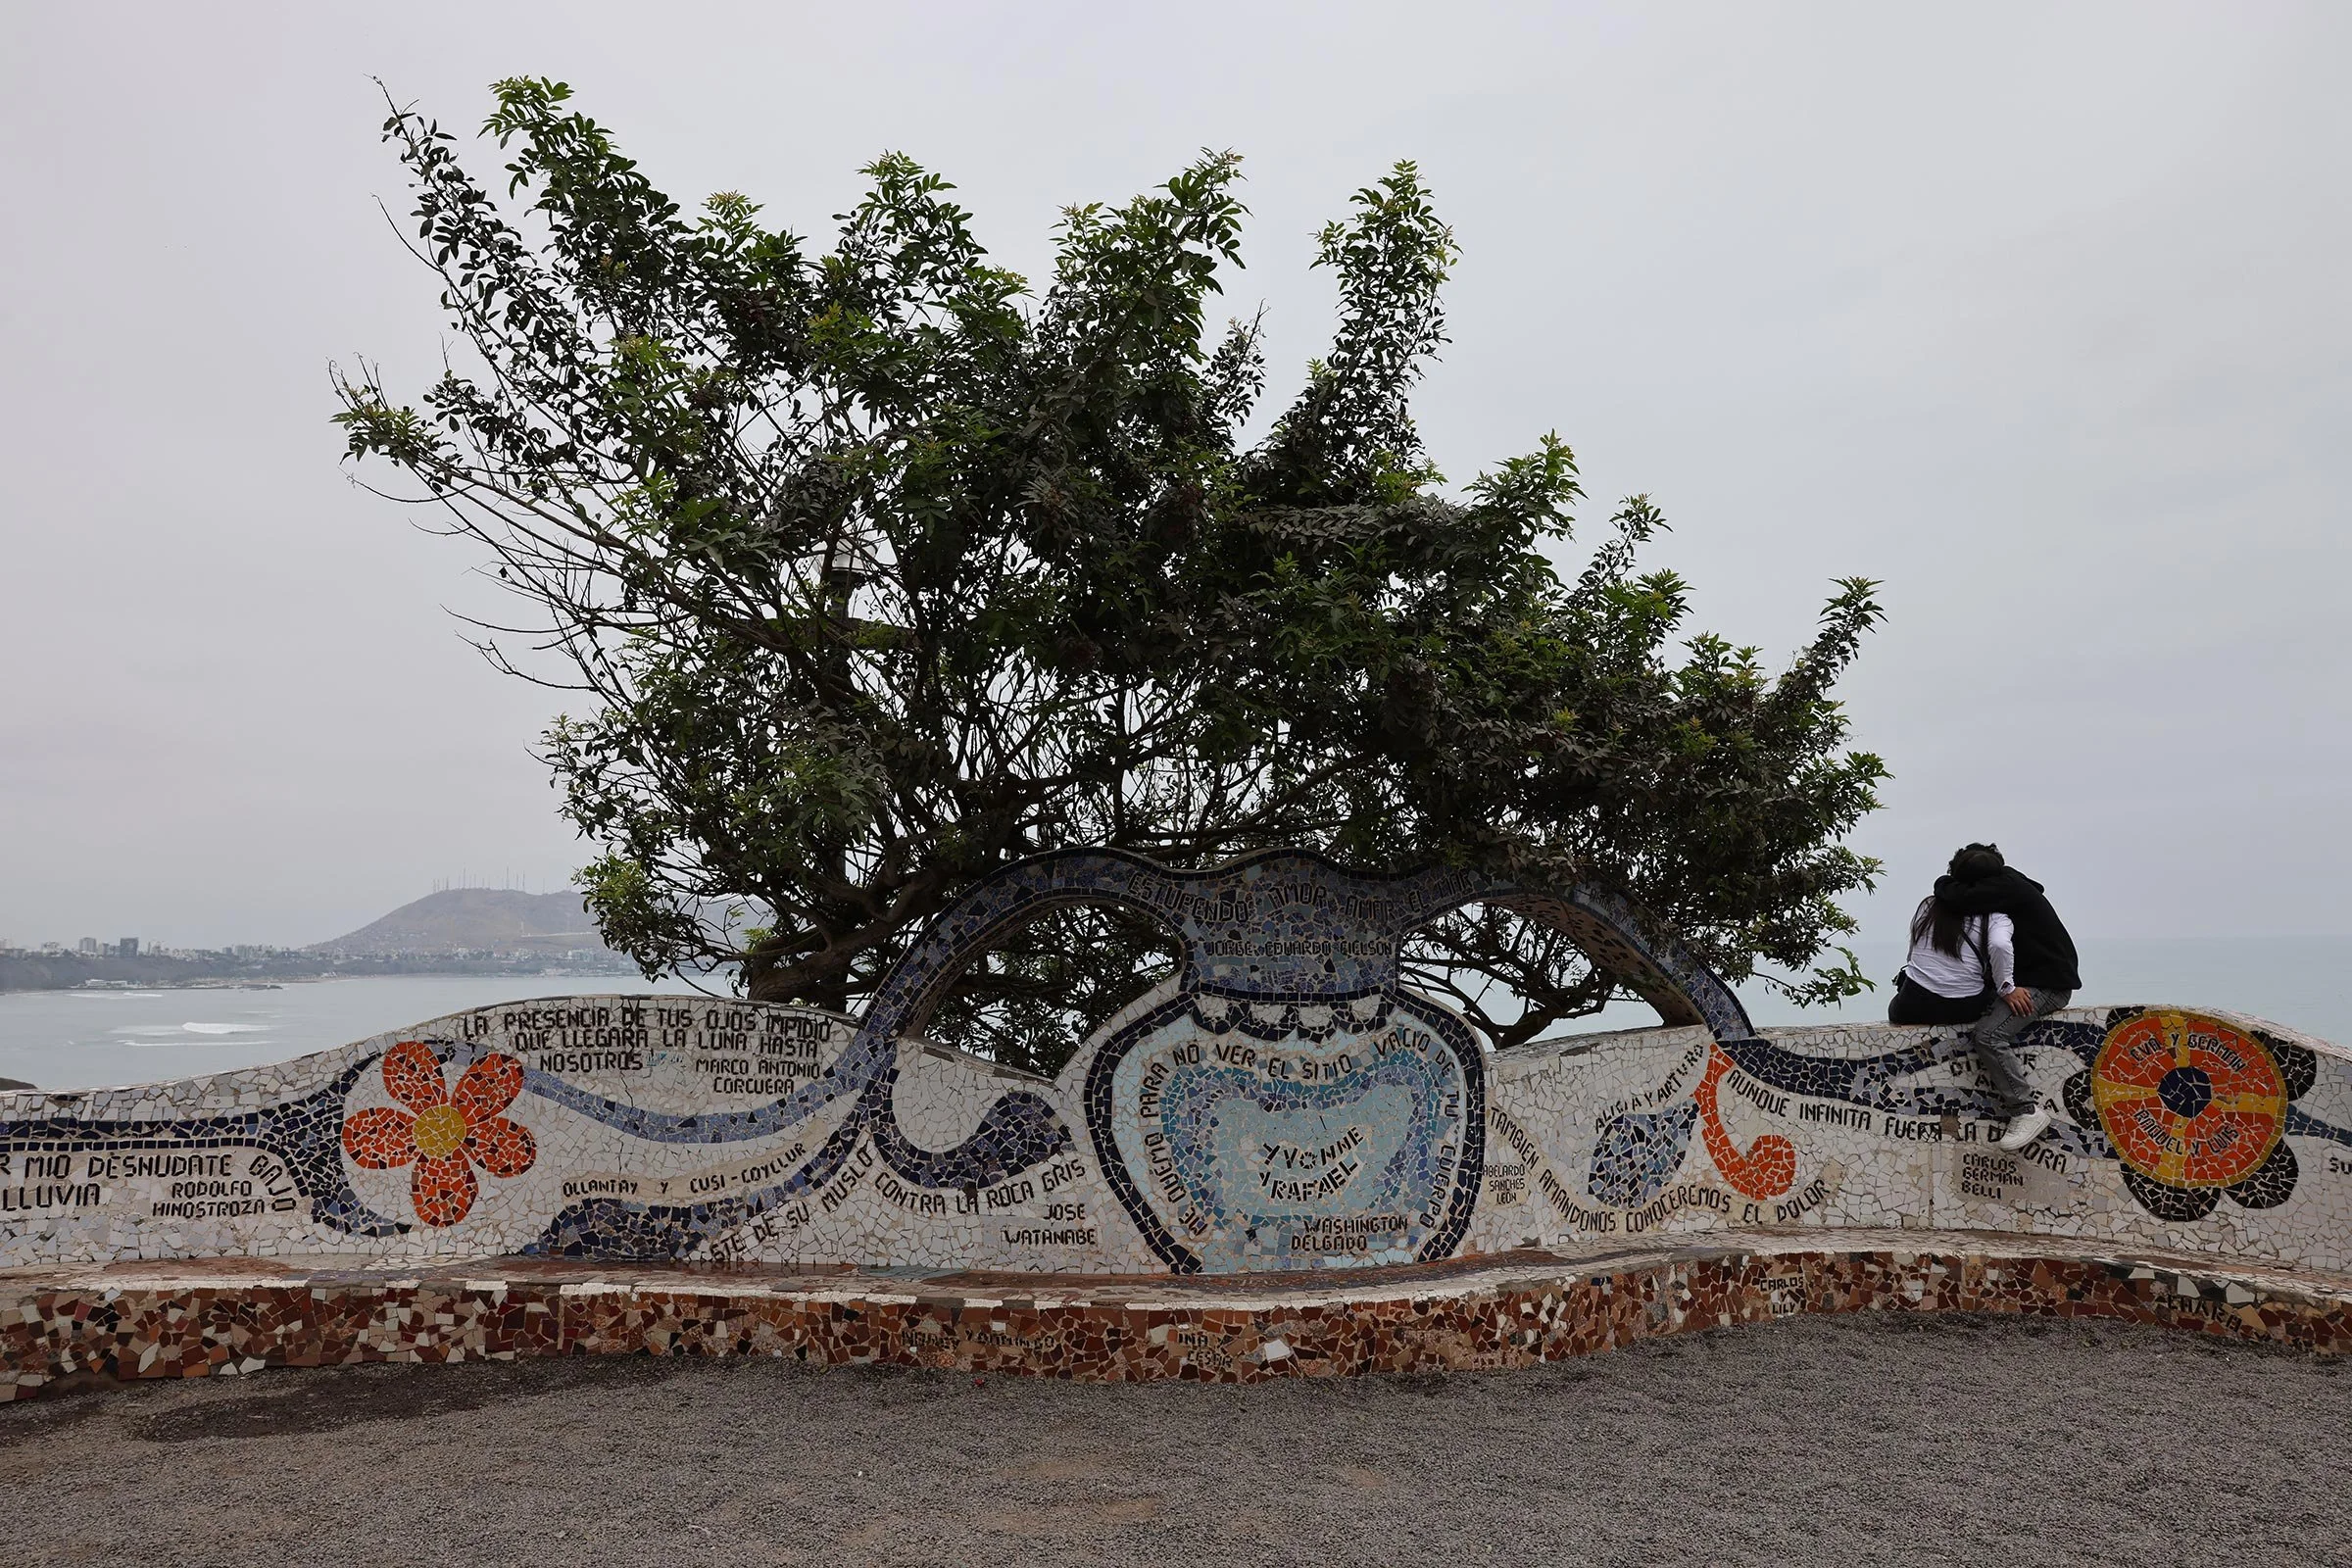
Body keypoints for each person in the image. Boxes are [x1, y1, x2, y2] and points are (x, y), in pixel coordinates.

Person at [1933, 843, 2081, 1152]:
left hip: (2047, 986)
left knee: (1988, 1035)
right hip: (2037, 978)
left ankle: (2026, 1111)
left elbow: (1953, 898)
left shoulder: (2003, 890)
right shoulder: (2010, 884)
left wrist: (2008, 988)